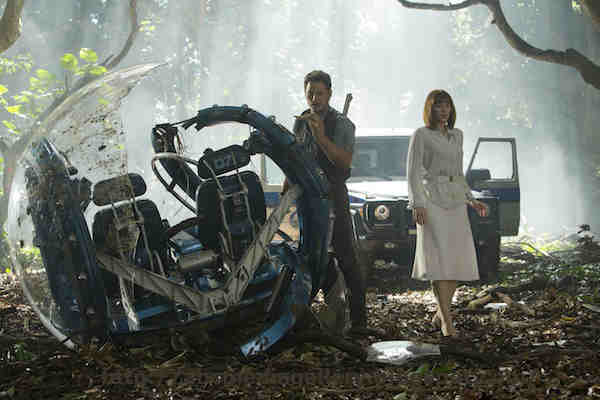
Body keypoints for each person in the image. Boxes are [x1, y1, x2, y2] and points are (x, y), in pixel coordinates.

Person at [282, 70, 367, 330]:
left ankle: (359, 320)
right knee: (313, 254)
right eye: (311, 94)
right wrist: (287, 187)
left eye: (320, 93)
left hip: (333, 196)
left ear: (329, 94)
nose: (315, 99)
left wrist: (320, 136)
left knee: (345, 256)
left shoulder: (342, 124)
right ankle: (328, 310)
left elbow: (344, 162)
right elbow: (294, 157)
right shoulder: (301, 122)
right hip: (307, 198)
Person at [406, 89, 488, 337]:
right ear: (430, 109)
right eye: (438, 106)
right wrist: (417, 204)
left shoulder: (457, 135)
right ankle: (447, 323)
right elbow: (413, 172)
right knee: (438, 261)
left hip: (456, 201)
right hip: (431, 200)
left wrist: (472, 200)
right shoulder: (421, 135)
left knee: (455, 260)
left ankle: (442, 312)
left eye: (447, 106)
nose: (443, 110)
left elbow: (459, 173)